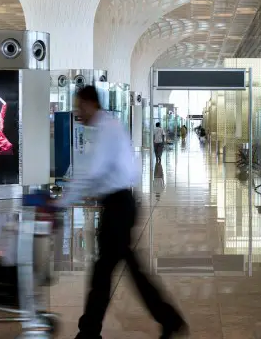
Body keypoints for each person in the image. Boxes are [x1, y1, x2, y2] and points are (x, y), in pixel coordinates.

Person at [57, 86, 188, 339]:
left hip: (118, 206)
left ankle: (90, 331)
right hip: (120, 203)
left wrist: (63, 201)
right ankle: (167, 319)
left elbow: (92, 172)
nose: (77, 112)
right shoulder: (110, 126)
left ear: (89, 103)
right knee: (118, 269)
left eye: (78, 106)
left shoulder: (106, 128)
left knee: (106, 270)